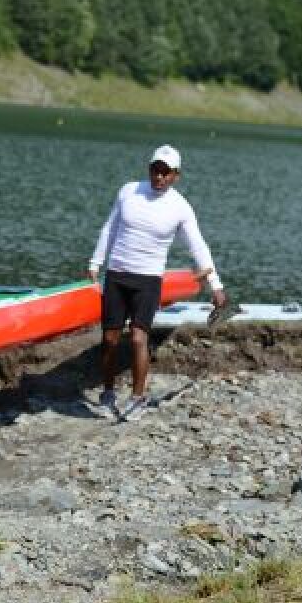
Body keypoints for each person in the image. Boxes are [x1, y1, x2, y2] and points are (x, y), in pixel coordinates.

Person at [87, 144, 228, 421]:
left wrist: (216, 286)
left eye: (166, 172)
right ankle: (107, 393)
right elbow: (110, 227)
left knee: (139, 337)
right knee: (109, 338)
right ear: (149, 168)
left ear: (176, 175)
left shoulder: (180, 207)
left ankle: (138, 398)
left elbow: (198, 247)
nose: (159, 176)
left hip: (148, 280)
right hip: (117, 274)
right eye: (155, 169)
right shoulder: (128, 191)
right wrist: (95, 262)